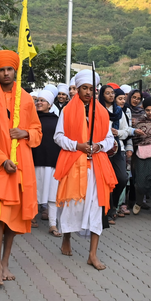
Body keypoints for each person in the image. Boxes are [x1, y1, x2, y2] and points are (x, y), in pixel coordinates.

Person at [0, 50, 41, 287]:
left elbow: (38, 132)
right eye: (1, 70)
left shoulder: (25, 99)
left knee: (13, 220)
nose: (6, 74)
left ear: (15, 71)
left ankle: (6, 263)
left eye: (9, 69)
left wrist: (25, 132)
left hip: (21, 166)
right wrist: (2, 160)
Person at [54, 70, 118, 270]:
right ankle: (66, 238)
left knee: (97, 207)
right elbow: (58, 136)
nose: (89, 92)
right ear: (78, 89)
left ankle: (93, 254)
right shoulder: (66, 110)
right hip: (74, 163)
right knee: (71, 204)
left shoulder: (102, 112)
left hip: (97, 166)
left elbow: (110, 139)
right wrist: (77, 145)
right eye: (85, 88)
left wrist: (99, 146)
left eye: (92, 89)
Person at [32, 89, 63, 236]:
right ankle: (30, 218)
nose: (39, 102)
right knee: (33, 192)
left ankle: (52, 224)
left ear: (50, 104)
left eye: (42, 100)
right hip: (34, 160)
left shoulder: (57, 120)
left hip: (52, 161)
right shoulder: (30, 118)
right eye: (37, 100)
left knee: (52, 194)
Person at [100, 85, 130, 225]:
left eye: (112, 93)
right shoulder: (97, 110)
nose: (111, 96)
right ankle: (106, 212)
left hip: (117, 149)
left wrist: (118, 133)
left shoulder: (119, 111)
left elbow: (126, 130)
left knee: (122, 178)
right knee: (105, 181)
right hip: (101, 150)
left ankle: (113, 207)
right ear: (102, 95)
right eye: (107, 93)